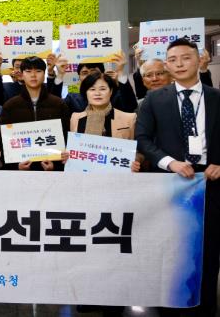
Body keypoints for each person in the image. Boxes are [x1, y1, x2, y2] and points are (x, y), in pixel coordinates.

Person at [136, 38, 220, 316]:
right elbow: (143, 138)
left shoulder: (216, 97)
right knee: (171, 247)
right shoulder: (154, 99)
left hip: (210, 182)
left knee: (208, 250)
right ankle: (169, 305)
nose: (180, 64)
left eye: (186, 57)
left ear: (199, 60)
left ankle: (205, 306)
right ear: (167, 65)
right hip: (170, 182)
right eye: (173, 59)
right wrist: (169, 163)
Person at [0, 56, 70, 171]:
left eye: (38, 71)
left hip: (52, 172)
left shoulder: (58, 104)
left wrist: (56, 166)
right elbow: (2, 141)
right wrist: (16, 166)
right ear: (22, 74)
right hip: (20, 173)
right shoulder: (10, 106)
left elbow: (66, 138)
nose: (33, 75)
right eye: (28, 71)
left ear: (44, 74)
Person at [70, 72, 143, 172]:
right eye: (92, 89)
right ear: (85, 92)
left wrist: (136, 160)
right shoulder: (75, 118)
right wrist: (67, 156)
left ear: (111, 91)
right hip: (84, 175)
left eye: (102, 89)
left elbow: (141, 151)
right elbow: (74, 150)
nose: (97, 93)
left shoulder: (129, 118)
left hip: (118, 175)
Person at [49, 52, 138, 114]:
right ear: (79, 77)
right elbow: (53, 108)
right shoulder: (72, 99)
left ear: (102, 74)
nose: (89, 76)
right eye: (84, 73)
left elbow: (131, 106)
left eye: (93, 72)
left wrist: (120, 72)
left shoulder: (114, 96)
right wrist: (60, 75)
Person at [133, 45, 213, 99]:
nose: (154, 79)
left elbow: (207, 97)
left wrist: (203, 69)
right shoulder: (143, 104)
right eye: (149, 75)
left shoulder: (186, 98)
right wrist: (140, 63)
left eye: (159, 73)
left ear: (171, 76)